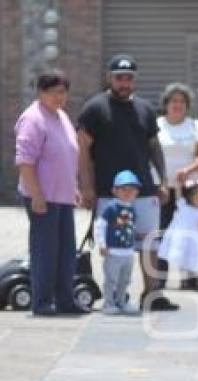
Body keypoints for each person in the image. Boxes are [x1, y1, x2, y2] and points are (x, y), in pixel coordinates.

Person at [77, 54, 179, 311]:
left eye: (129, 78)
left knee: (150, 244)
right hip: (109, 193)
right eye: (119, 78)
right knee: (111, 246)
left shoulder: (145, 109)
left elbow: (154, 148)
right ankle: (114, 296)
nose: (124, 82)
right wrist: (86, 187)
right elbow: (82, 149)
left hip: (144, 191)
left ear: (135, 80)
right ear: (109, 78)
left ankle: (151, 294)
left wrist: (163, 181)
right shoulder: (95, 108)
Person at [15, 69, 89, 316]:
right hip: (42, 197)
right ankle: (43, 302)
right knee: (45, 250)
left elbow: (67, 155)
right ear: (41, 92)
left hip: (63, 196)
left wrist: (74, 188)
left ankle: (65, 300)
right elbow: (25, 161)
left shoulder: (61, 116)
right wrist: (36, 195)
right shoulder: (32, 118)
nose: (60, 97)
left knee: (67, 251)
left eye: (63, 92)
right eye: (54, 92)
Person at [156, 83, 198, 286]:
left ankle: (191, 276)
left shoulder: (195, 126)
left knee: (192, 234)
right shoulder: (158, 125)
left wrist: (188, 170)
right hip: (164, 188)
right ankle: (159, 279)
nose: (177, 105)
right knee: (162, 232)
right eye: (173, 101)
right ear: (166, 104)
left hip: (189, 189)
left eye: (181, 101)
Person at [94, 170, 140, 315]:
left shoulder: (132, 209)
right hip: (113, 251)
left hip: (128, 251)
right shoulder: (111, 207)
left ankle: (122, 301)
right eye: (123, 189)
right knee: (111, 279)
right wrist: (102, 244)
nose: (128, 193)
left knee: (125, 279)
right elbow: (100, 226)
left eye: (131, 190)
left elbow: (131, 228)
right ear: (115, 191)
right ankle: (108, 303)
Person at [158, 180, 198, 291]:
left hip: (197, 242)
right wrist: (180, 183)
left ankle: (197, 279)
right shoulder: (183, 207)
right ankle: (184, 280)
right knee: (183, 261)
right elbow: (178, 195)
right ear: (189, 197)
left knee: (197, 260)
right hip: (184, 241)